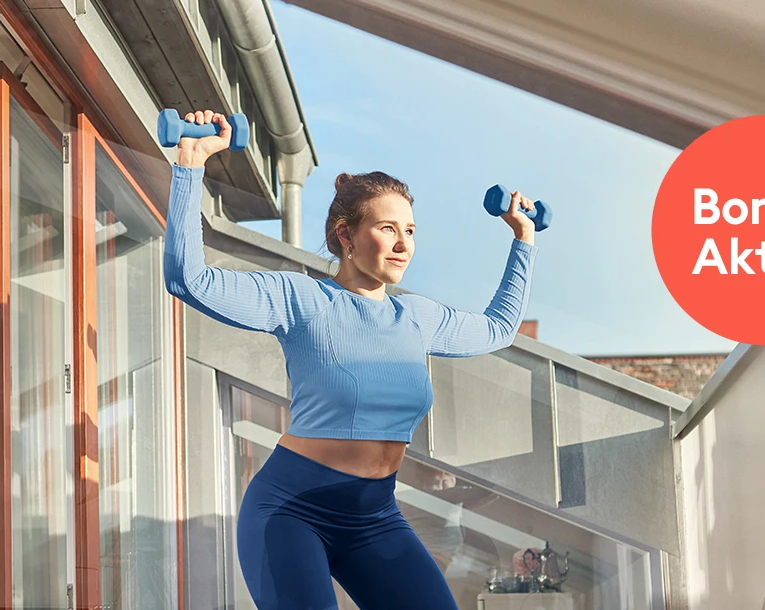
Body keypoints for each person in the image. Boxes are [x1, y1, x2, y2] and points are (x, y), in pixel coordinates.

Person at [162, 110, 540, 609]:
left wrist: (524, 239)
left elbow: (498, 328)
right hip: (291, 512)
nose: (404, 244)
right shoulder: (299, 299)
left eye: (410, 230)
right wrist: (190, 166)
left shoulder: (417, 317)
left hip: (374, 518)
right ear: (346, 236)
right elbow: (190, 280)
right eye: (388, 228)